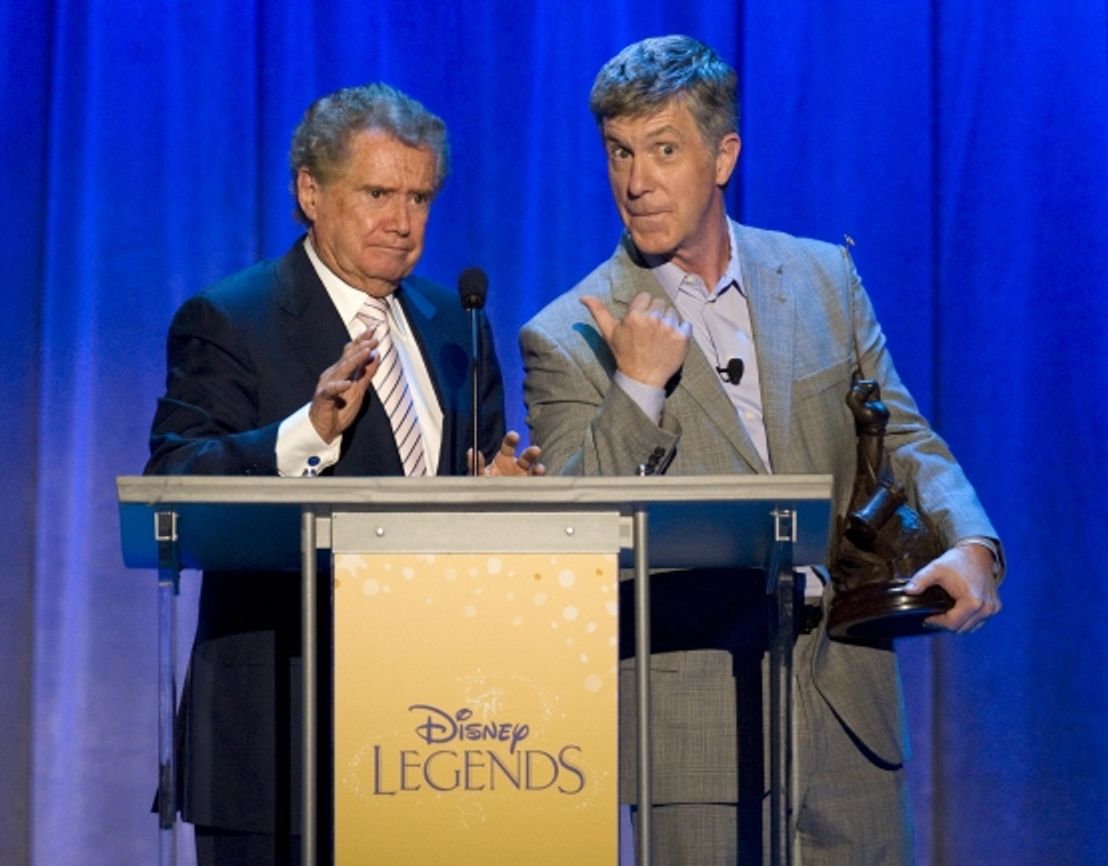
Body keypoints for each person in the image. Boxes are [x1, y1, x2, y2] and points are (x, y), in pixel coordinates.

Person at [519, 36, 1004, 865]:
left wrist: (972, 543)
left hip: (846, 701)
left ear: (723, 156)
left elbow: (903, 435)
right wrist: (636, 388)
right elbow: (575, 536)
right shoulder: (566, 334)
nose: (636, 183)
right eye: (620, 154)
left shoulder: (821, 278)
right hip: (692, 727)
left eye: (663, 150)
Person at [146, 82, 540, 865]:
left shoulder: (455, 325)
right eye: (379, 193)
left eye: (421, 198)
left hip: (436, 732)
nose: (404, 223)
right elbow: (175, 479)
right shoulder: (232, 317)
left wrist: (496, 493)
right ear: (310, 192)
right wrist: (306, 432)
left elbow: (462, 498)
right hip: (281, 734)